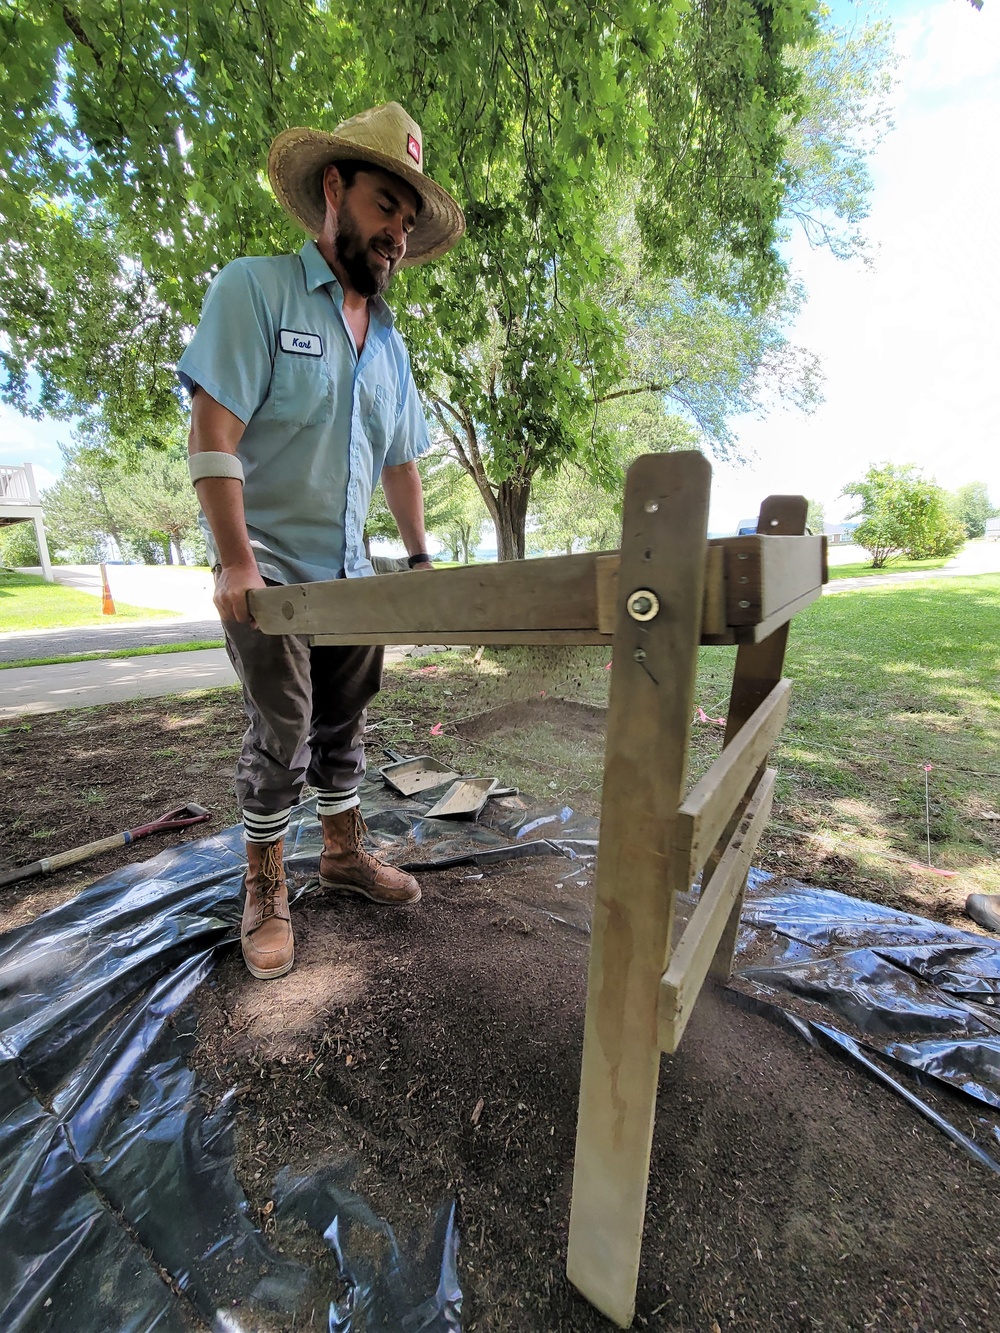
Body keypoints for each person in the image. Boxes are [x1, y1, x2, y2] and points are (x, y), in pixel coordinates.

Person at [177, 103, 465, 981]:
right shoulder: (254, 290)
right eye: (386, 207)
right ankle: (264, 881)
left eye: (409, 224)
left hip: (353, 579)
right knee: (287, 724)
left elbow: (402, 464)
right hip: (268, 574)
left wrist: (415, 564)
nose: (397, 236)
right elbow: (212, 431)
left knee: (345, 720)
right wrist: (235, 562)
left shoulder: (393, 348)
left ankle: (341, 852)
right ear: (335, 189)